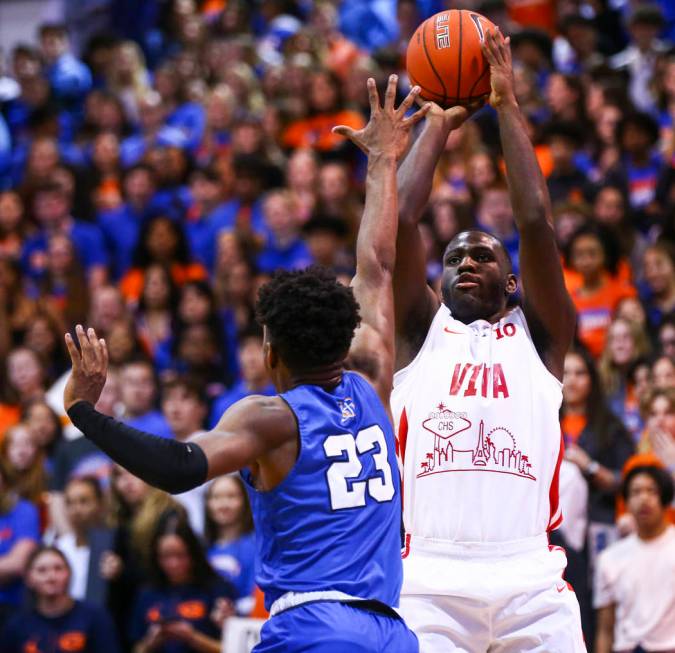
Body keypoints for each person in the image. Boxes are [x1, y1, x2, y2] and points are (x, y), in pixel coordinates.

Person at [61, 75, 426, 652]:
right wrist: (382, 161)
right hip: (391, 632)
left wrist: (85, 411)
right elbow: (377, 263)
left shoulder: (270, 418)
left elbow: (181, 467)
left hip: (313, 629)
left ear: (271, 351)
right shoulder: (371, 376)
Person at [389, 30, 585, 651]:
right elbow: (399, 221)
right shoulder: (420, 334)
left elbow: (535, 220)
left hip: (530, 577)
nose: (465, 262)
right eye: (453, 257)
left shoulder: (541, 336)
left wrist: (506, 107)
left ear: (513, 279)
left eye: (482, 254)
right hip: (429, 581)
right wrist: (438, 128)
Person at [594, 465, 675, 653]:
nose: (644, 498)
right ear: (627, 502)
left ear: (665, 498)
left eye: (651, 491)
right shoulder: (610, 558)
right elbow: (605, 630)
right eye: (636, 492)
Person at [129, 512, 235, 653]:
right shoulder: (146, 593)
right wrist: (151, 642)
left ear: (193, 554)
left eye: (180, 555)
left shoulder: (217, 590)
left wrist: (192, 637)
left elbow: (234, 649)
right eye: (166, 556)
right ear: (156, 557)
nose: (174, 564)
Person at [2, 545, 121, 653]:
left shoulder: (94, 616)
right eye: (42, 570)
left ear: (69, 573)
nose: (51, 577)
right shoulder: (17, 625)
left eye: (58, 568)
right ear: (28, 578)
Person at [204, 475, 256, 614]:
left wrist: (233, 610)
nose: (223, 504)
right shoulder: (201, 548)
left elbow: (257, 596)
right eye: (216, 497)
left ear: (245, 500)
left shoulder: (255, 545)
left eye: (231, 496)